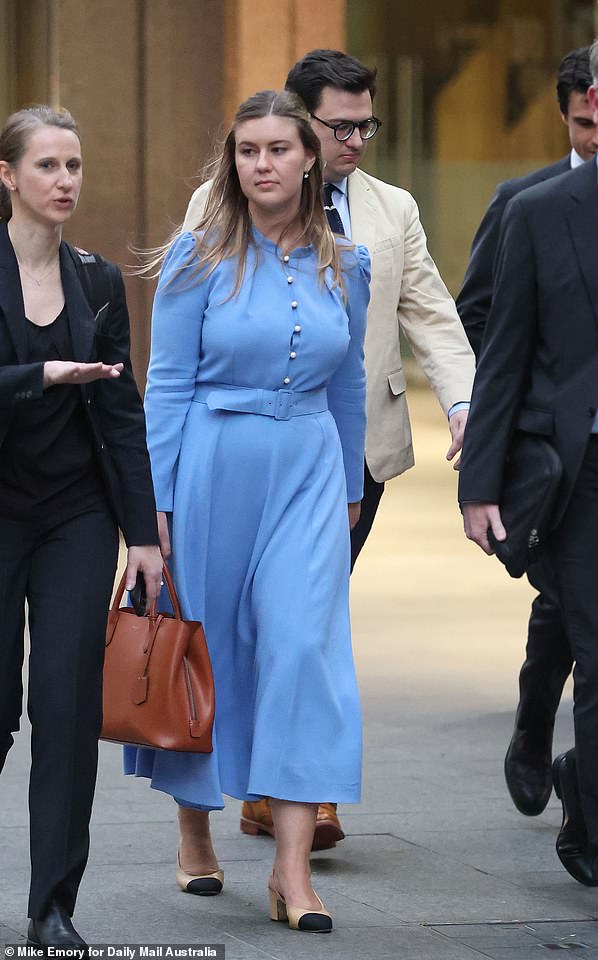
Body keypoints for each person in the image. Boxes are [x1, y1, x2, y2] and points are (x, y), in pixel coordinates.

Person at [185, 48, 475, 852]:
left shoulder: (392, 210)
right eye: (340, 126)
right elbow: (183, 341)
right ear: (303, 126)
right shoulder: (220, 208)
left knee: (305, 624)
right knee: (253, 627)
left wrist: (462, 400)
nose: (356, 140)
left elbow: (431, 312)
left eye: (366, 125)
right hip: (237, 457)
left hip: (352, 453)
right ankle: (266, 790)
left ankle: (300, 791)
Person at [124, 89, 370, 933]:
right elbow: (167, 385)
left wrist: (349, 493)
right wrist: (149, 505)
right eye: (246, 151)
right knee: (208, 648)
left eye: (277, 149)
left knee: (305, 651)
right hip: (212, 468)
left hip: (308, 469)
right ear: (233, 164)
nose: (261, 164)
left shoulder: (350, 263)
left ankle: (292, 873)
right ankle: (194, 830)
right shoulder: (199, 257)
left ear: (311, 158)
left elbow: (346, 386)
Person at [458, 19, 598, 936]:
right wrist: (479, 481)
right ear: (594, 105)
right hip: (589, 470)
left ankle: (581, 779)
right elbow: (505, 353)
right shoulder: (538, 212)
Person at [0, 106, 162, 948]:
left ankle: (52, 907)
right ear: (9, 177)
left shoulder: (97, 280)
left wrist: (142, 532)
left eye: (75, 165)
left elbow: (121, 410)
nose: (66, 181)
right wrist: (38, 375)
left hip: (77, 517)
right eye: (48, 166)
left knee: (65, 709)